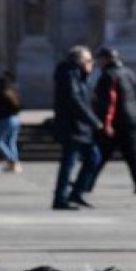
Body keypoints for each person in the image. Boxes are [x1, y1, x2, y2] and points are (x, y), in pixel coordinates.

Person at [90, 47, 136, 193]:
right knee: (131, 154)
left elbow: (108, 102)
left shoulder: (108, 76)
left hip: (115, 121)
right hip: (130, 120)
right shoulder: (128, 73)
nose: (99, 62)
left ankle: (87, 182)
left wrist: (106, 123)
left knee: (101, 154)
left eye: (101, 59)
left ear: (107, 59)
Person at [51, 45, 102, 211]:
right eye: (88, 60)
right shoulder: (68, 75)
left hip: (81, 128)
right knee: (69, 163)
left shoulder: (79, 76)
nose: (92, 64)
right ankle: (60, 198)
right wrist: (93, 120)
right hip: (72, 126)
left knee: (93, 158)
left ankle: (76, 193)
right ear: (79, 61)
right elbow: (74, 101)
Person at [0, 72, 23, 173]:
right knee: (11, 142)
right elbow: (19, 106)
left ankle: (12, 161)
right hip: (15, 119)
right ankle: (13, 165)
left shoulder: (1, 93)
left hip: (6, 119)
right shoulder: (11, 92)